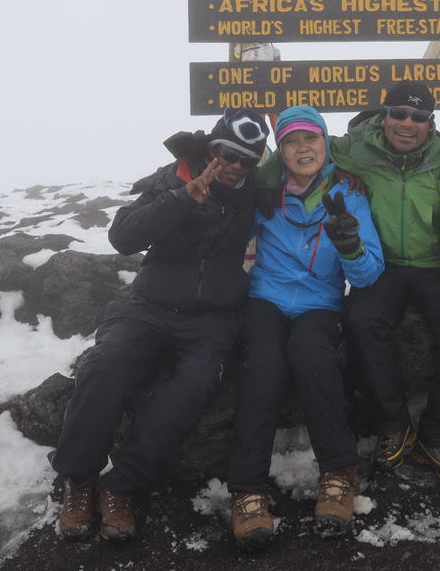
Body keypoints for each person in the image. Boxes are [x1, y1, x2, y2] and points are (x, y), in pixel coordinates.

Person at [50, 108, 272, 540]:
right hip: (148, 307)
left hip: (213, 320)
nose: (234, 166)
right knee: (104, 368)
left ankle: (123, 487)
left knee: (192, 389)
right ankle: (78, 481)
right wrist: (181, 198)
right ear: (212, 147)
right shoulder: (172, 178)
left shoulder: (256, 193)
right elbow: (123, 238)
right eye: (227, 153)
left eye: (248, 160)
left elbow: (311, 171)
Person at [227, 105, 384, 550]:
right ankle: (246, 490)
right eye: (292, 140)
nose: (303, 148)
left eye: (311, 138)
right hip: (265, 299)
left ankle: (338, 474)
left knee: (311, 355)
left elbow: (370, 273)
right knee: (264, 365)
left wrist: (350, 244)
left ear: (325, 143)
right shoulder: (266, 193)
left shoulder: (349, 194)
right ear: (281, 150)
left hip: (320, 302)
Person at [330, 81, 440, 483]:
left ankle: (437, 437)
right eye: (398, 113)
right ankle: (393, 427)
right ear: (383, 115)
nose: (407, 123)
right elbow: (302, 148)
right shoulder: (354, 148)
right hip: (382, 264)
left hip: (435, 264)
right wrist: (263, 183)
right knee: (362, 322)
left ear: (430, 124)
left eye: (418, 117)